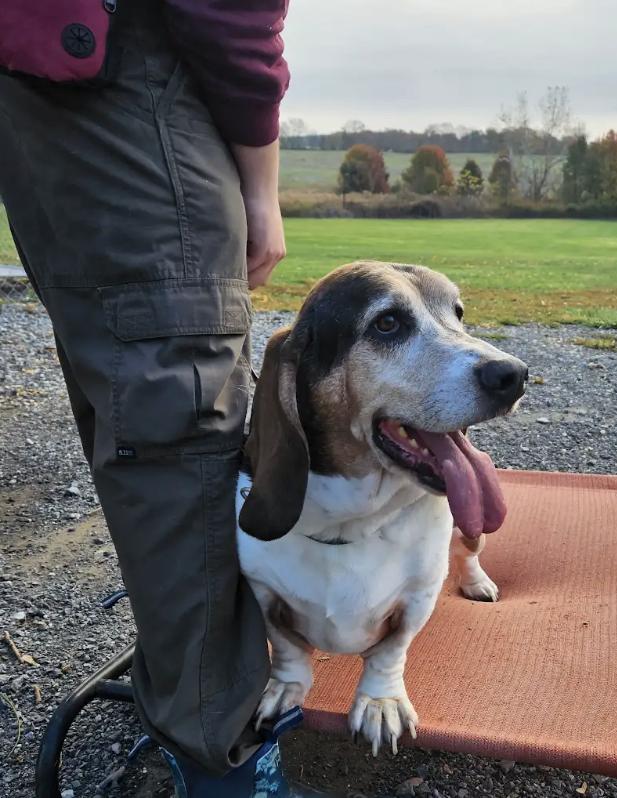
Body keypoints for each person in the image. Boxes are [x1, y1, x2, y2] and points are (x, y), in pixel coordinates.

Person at [0, 1, 311, 794]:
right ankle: (222, 765)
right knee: (178, 415)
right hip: (126, 65)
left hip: (41, 63)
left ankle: (181, 689)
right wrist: (262, 183)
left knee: (134, 394)